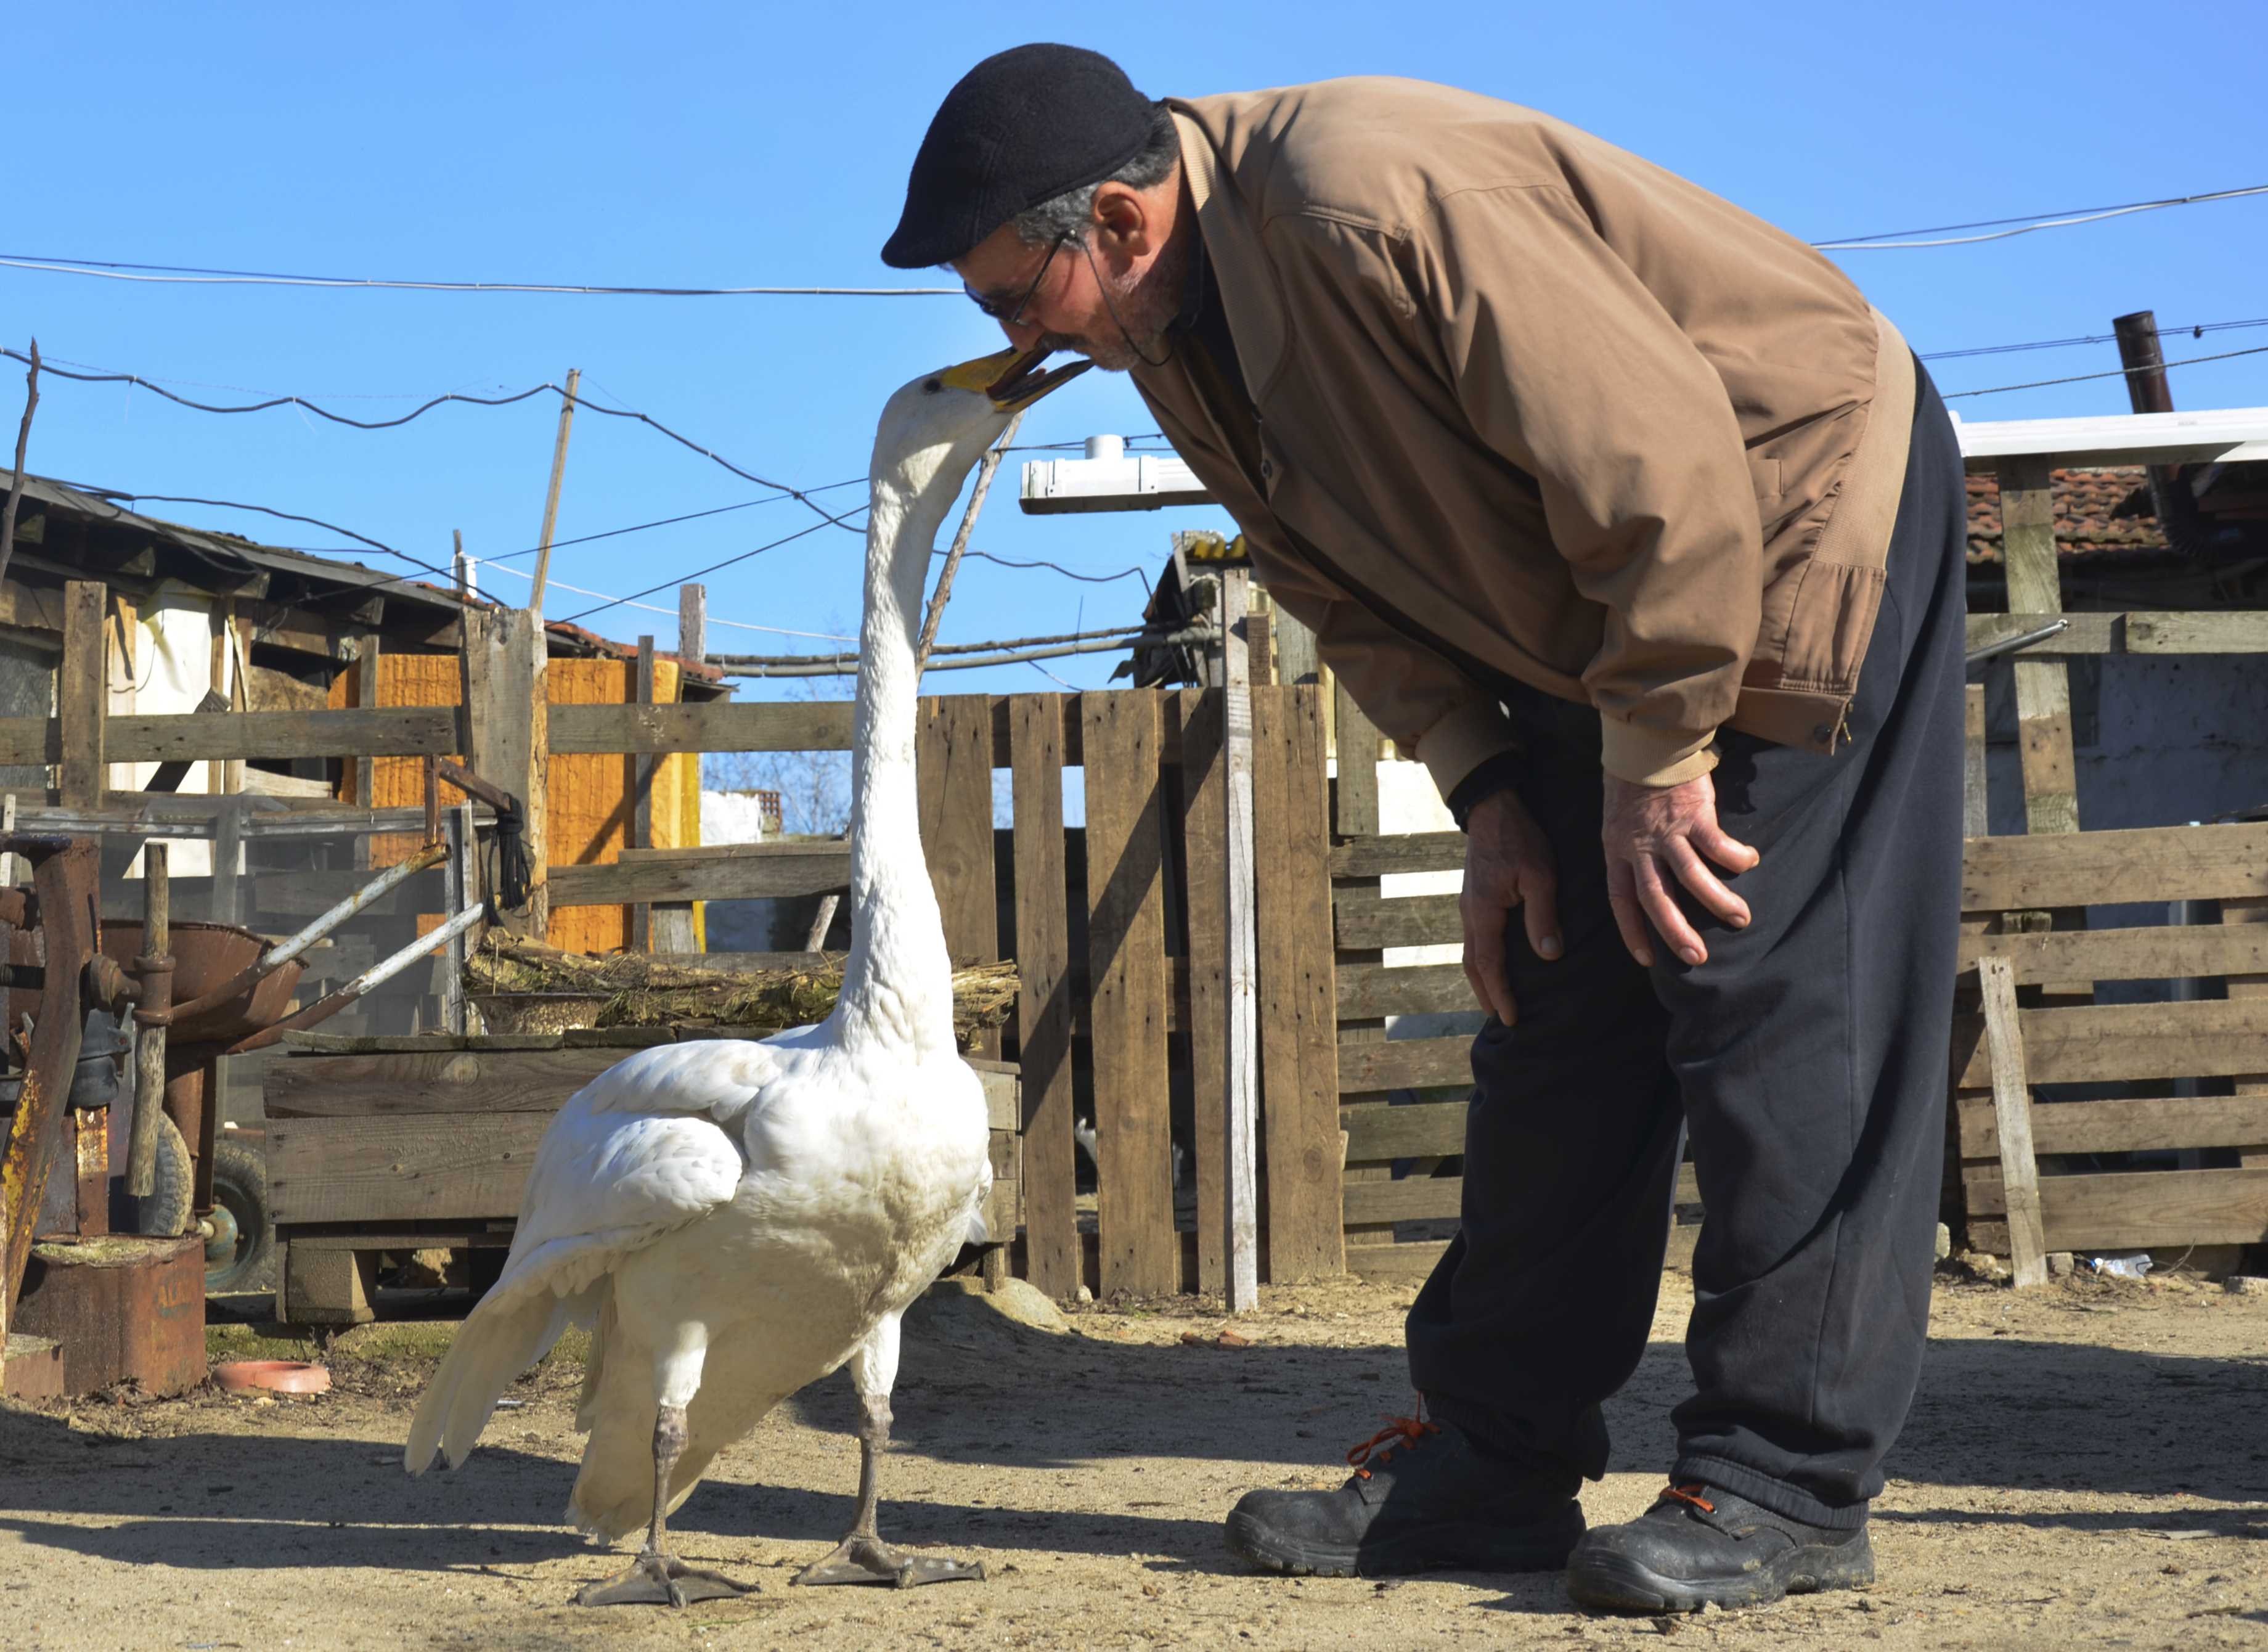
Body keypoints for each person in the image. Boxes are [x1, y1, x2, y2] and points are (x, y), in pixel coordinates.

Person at [883, 44, 1965, 1614]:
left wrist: (1659, 751)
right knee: (1554, 995)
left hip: (1788, 507)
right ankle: (1493, 1459)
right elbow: (1333, 581)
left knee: (1757, 979)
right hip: (1602, 604)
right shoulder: (1170, 330)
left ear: (1115, 223)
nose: (1011, 340)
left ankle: (1784, 1481)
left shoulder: (1360, 204)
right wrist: (1488, 786)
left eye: (1009, 298)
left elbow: (1658, 461)